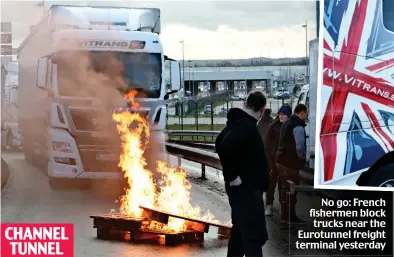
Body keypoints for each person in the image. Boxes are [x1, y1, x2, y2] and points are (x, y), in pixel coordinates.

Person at [215, 90, 269, 257]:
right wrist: (233, 177)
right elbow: (224, 147)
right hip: (247, 190)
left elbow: (219, 142)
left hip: (243, 190)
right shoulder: (245, 126)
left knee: (239, 233)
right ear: (261, 109)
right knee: (253, 236)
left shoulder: (237, 123)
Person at [276, 103, 308, 223]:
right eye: (306, 114)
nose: (306, 117)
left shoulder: (287, 123)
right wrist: (302, 158)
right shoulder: (298, 126)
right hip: (290, 162)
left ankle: (285, 215)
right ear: (302, 113)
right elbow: (299, 147)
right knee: (292, 190)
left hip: (281, 160)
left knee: (285, 189)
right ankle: (291, 216)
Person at [264, 105, 292, 216]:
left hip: (285, 161)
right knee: (271, 184)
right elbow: (267, 143)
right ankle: (269, 206)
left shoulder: (291, 127)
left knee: (283, 185)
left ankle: (283, 207)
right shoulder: (273, 126)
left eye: (284, 114)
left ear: (288, 115)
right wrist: (270, 158)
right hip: (273, 161)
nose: (281, 116)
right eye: (280, 114)